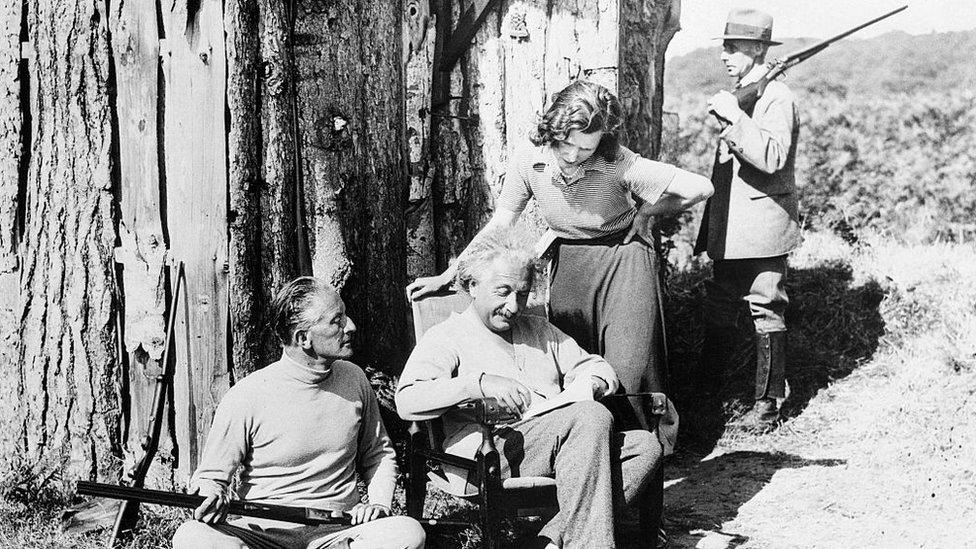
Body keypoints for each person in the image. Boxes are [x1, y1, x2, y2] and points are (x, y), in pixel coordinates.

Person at [407, 80, 712, 431]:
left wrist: (647, 212)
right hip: (570, 262)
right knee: (576, 366)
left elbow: (701, 187)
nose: (572, 155)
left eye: (585, 148)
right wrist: (451, 273)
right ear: (552, 130)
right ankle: (583, 453)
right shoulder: (529, 159)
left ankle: (638, 460)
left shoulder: (619, 162)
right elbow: (502, 221)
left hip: (624, 260)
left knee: (628, 370)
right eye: (565, 143)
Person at [397, 226, 661, 549]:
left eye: (522, 294)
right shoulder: (447, 336)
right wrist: (475, 384)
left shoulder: (539, 330)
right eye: (503, 291)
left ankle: (545, 541)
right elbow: (407, 399)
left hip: (559, 442)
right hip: (492, 449)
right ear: (472, 286)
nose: (513, 305)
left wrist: (593, 382)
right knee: (589, 418)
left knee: (644, 448)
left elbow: (595, 365)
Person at [171, 277, 425, 549]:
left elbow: (378, 454)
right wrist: (210, 495)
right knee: (191, 537)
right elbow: (211, 477)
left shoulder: (354, 379)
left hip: (339, 533)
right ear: (303, 338)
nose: (350, 327)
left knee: (408, 533)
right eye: (336, 321)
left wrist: (378, 504)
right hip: (261, 534)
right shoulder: (248, 394)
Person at [696, 8, 802, 430]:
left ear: (758, 48)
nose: (726, 55)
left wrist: (734, 117)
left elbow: (772, 158)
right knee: (719, 309)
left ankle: (768, 404)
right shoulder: (746, 92)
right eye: (724, 46)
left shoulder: (777, 97)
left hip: (762, 228)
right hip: (732, 226)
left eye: (735, 47)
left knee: (766, 310)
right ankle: (706, 399)